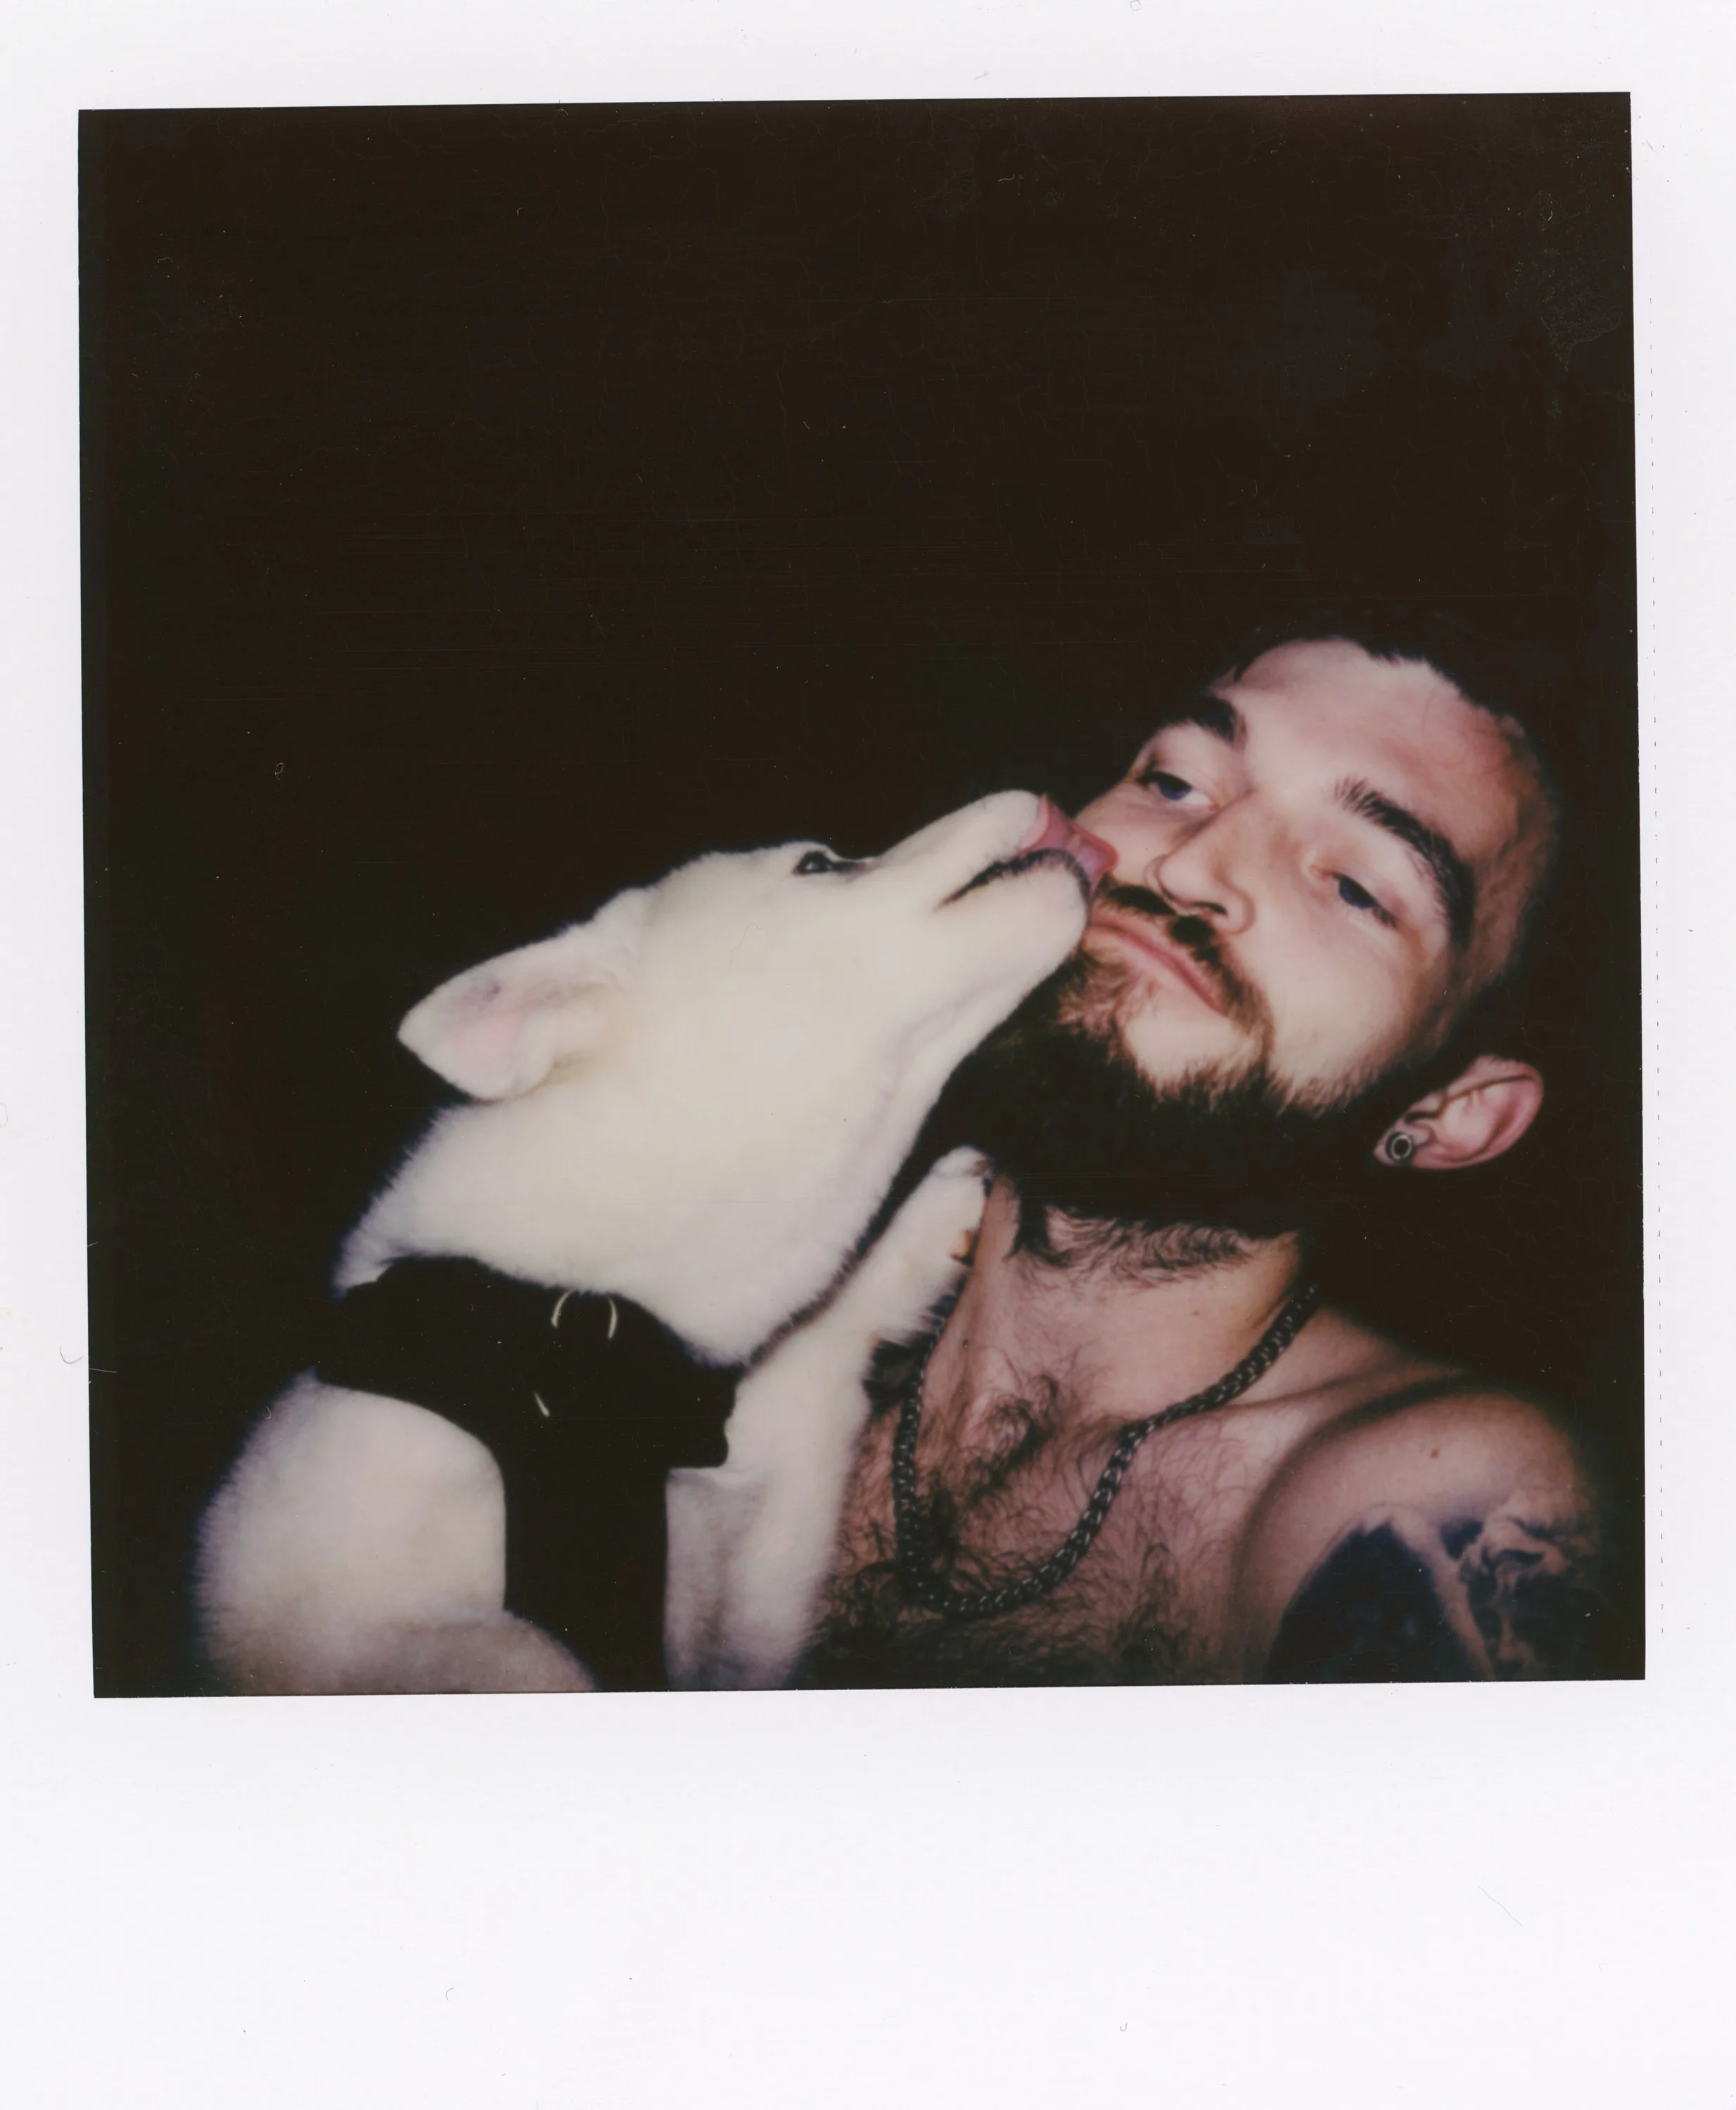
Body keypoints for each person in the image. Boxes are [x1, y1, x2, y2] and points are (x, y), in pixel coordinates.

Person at [793, 624, 1620, 1685]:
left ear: (1453, 1110)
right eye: (1178, 781)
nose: (1189, 864)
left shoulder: (1428, 1495)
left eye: (1356, 888)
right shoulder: (724, 1348)